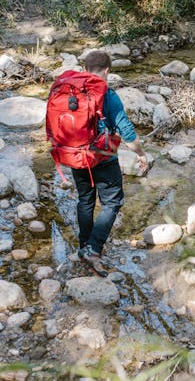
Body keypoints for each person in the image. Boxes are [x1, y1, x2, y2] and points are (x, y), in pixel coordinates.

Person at [73, 50, 148, 275]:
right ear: (107, 71)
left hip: (75, 155)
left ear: (84, 70)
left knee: (85, 200)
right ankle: (94, 249)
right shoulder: (107, 95)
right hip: (102, 158)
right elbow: (126, 131)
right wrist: (141, 154)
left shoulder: (71, 90)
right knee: (112, 203)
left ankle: (84, 245)